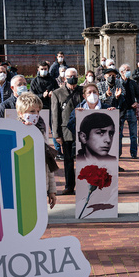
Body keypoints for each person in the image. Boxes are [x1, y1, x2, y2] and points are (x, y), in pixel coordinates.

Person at [16, 92, 57, 208]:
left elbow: (48, 162)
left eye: (38, 111)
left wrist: (52, 191)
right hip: (22, 187)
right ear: (21, 113)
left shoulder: (41, 130)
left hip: (41, 186)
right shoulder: (14, 131)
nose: (36, 114)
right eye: (32, 111)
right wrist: (25, 132)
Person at [51, 67, 83, 195]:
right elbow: (55, 116)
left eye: (75, 76)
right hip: (66, 132)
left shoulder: (83, 91)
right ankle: (69, 186)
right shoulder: (57, 93)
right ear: (65, 78)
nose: (73, 78)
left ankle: (84, 185)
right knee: (68, 160)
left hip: (83, 130)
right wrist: (56, 134)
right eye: (70, 76)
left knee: (83, 159)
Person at [118, 63, 139, 159]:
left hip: (131, 110)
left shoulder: (132, 83)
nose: (128, 72)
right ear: (121, 72)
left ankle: (134, 153)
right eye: (127, 70)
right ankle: (118, 153)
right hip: (121, 111)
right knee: (119, 134)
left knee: (133, 134)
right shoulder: (117, 82)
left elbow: (138, 94)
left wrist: (137, 103)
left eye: (129, 70)